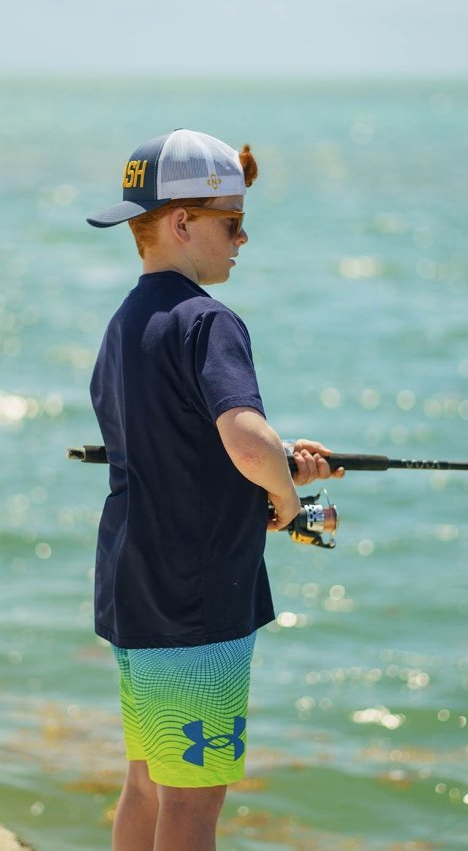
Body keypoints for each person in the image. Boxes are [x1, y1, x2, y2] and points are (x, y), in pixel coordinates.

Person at [85, 128, 343, 850]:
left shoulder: (125, 325)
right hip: (196, 607)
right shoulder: (209, 322)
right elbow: (243, 438)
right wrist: (288, 501)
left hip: (134, 591)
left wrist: (281, 470)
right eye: (232, 224)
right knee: (194, 806)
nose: (243, 239)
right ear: (181, 223)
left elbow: (180, 451)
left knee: (144, 784)